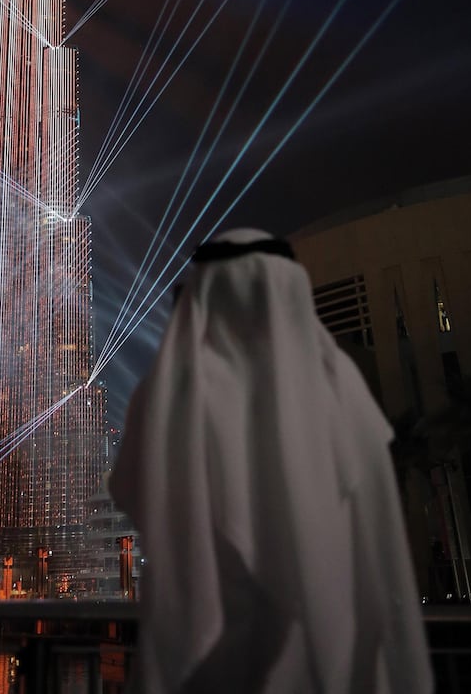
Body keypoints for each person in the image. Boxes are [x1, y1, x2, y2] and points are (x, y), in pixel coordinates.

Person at [109, 228, 433, 694]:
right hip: (335, 646)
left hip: (205, 655)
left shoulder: (170, 395)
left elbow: (132, 490)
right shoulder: (341, 388)